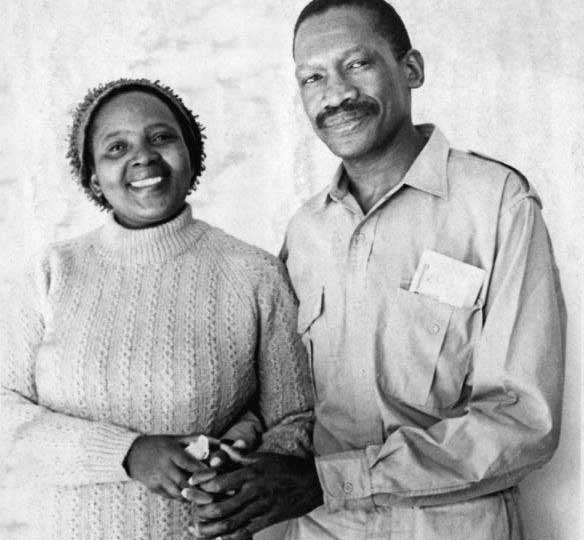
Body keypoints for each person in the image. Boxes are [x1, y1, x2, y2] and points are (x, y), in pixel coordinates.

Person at [189, 1, 565, 539]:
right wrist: (242, 446)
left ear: (410, 69)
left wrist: (331, 481)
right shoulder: (305, 232)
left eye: (357, 65)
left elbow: (523, 421)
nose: (335, 94)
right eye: (312, 77)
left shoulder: (497, 205)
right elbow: (287, 399)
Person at [0, 78, 314, 540]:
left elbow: (295, 420)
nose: (142, 156)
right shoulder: (51, 274)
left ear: (192, 156)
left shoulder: (254, 274)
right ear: (93, 178)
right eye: (116, 147)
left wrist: (242, 464)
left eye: (161, 137)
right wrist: (127, 454)